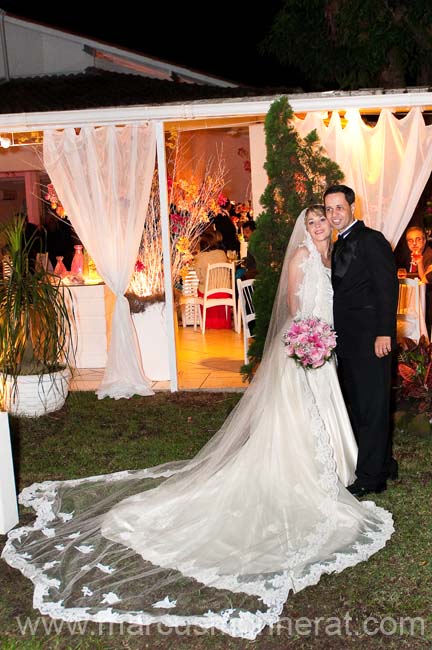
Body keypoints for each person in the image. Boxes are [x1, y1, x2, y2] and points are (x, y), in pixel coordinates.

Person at [2, 206, 393, 640]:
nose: (320, 226)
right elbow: (292, 309)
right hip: (306, 349)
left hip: (326, 350)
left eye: (325, 220)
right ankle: (306, 472)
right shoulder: (303, 258)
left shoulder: (332, 255)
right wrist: (307, 342)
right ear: (307, 227)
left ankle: (341, 466)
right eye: (315, 221)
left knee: (328, 410)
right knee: (300, 418)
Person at [324, 184, 399, 498]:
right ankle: (383, 464)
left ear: (353, 207)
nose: (334, 214)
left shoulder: (371, 240)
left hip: (371, 339)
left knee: (372, 407)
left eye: (339, 207)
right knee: (362, 405)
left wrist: (385, 332)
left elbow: (387, 288)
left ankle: (371, 478)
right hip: (349, 341)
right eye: (328, 209)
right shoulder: (338, 243)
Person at [398, 226, 432, 337]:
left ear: (424, 240)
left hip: (427, 300)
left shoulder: (429, 255)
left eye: (418, 239)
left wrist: (420, 263)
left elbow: (426, 280)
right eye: (410, 240)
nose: (414, 243)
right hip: (410, 298)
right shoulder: (406, 256)